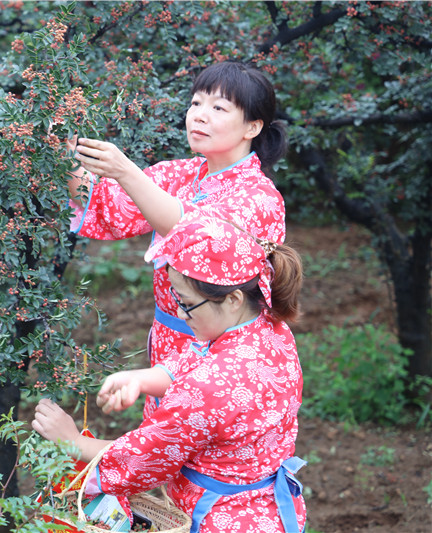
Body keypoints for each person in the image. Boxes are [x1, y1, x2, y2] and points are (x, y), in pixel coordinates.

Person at [33, 213, 306, 533]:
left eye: (187, 303)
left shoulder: (204, 391)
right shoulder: (271, 329)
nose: (178, 311)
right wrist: (142, 379)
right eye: (176, 297)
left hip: (220, 521)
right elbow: (202, 360)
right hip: (269, 512)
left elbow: (144, 458)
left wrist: (72, 441)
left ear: (232, 299)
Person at [67, 60, 288, 419]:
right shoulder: (180, 174)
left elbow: (196, 231)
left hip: (222, 350)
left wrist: (125, 171)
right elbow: (111, 209)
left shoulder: (260, 199)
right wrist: (63, 152)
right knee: (166, 449)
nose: (199, 116)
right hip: (168, 342)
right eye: (196, 103)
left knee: (197, 450)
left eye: (218, 108)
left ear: (253, 126)